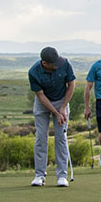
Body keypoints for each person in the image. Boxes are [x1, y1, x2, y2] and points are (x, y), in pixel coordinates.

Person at [28, 46, 76, 187]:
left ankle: (62, 176)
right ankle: (39, 175)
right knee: (41, 137)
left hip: (62, 100)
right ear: (45, 63)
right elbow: (40, 96)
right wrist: (55, 112)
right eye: (53, 64)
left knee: (61, 137)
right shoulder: (34, 72)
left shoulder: (65, 64)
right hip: (43, 103)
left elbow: (71, 84)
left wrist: (63, 108)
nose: (57, 65)